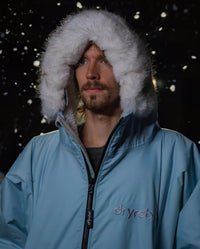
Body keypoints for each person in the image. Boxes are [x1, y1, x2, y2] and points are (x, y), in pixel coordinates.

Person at [0, 9, 200, 249]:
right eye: (82, 61)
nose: (91, 73)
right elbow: (8, 239)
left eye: (105, 59)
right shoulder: (38, 154)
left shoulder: (176, 155)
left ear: (130, 70)